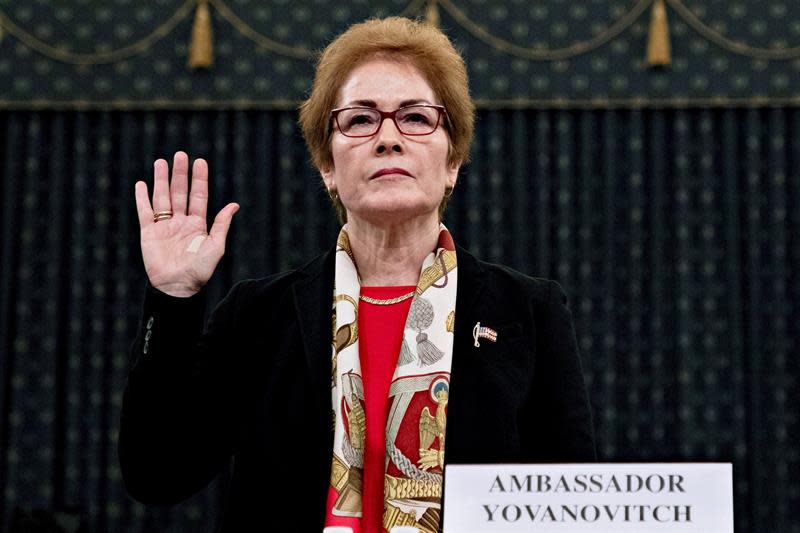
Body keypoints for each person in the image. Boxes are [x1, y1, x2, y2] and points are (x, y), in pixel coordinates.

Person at [119, 16, 595, 533]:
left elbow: (568, 506)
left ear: (453, 160)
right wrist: (173, 298)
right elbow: (157, 474)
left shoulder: (527, 310)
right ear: (327, 164)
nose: (388, 138)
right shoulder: (258, 316)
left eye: (415, 118)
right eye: (361, 120)